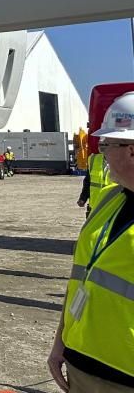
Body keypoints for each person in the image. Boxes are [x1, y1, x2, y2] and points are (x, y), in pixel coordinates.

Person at [48, 92, 134, 392]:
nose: (102, 153)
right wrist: (61, 341)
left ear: (132, 150)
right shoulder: (110, 201)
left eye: (107, 144)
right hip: (81, 363)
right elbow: (80, 280)